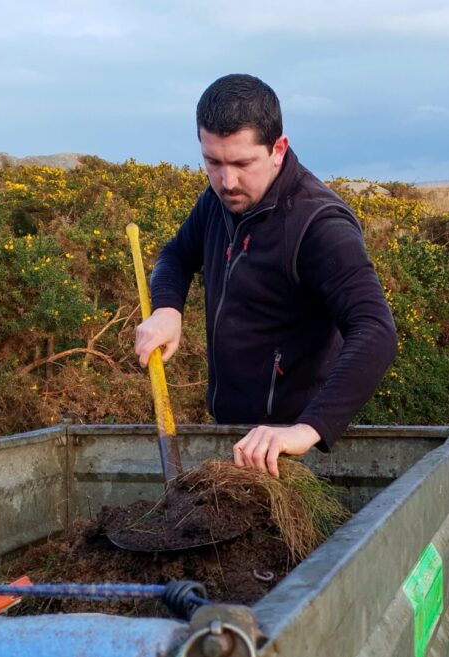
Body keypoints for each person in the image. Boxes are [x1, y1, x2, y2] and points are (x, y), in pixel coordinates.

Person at [133, 73, 398, 477]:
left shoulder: (319, 225)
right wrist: (168, 308)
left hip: (292, 453)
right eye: (213, 162)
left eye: (242, 163)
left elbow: (375, 329)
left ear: (278, 148)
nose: (227, 181)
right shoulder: (218, 201)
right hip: (233, 436)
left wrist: (306, 429)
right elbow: (176, 254)